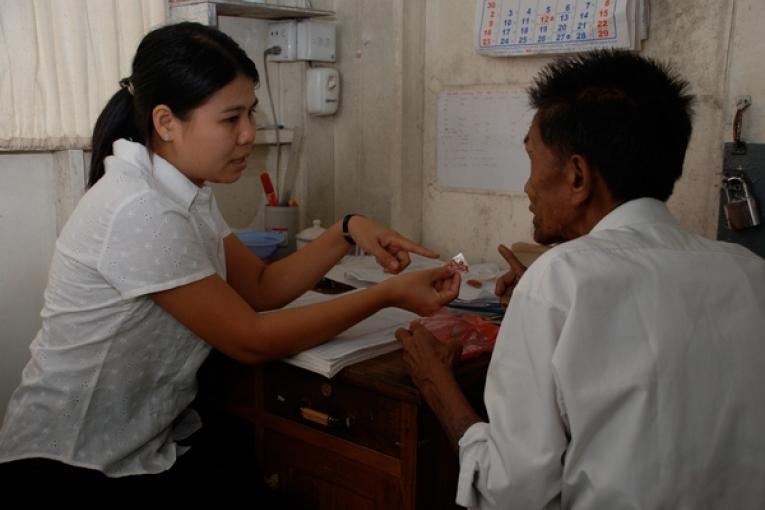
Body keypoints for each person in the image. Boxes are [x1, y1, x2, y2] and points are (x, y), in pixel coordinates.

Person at [0, 21, 459, 495]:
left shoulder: (183, 190)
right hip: (70, 462)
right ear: (165, 122)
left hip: (138, 445)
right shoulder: (139, 208)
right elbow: (251, 339)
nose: (248, 135)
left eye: (251, 114)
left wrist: (347, 230)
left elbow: (259, 287)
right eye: (230, 119)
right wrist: (387, 295)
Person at [396, 49, 765, 509]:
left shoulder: (559, 279)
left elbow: (513, 494)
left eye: (532, 161)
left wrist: (440, 389)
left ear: (577, 177)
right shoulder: (750, 273)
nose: (527, 187)